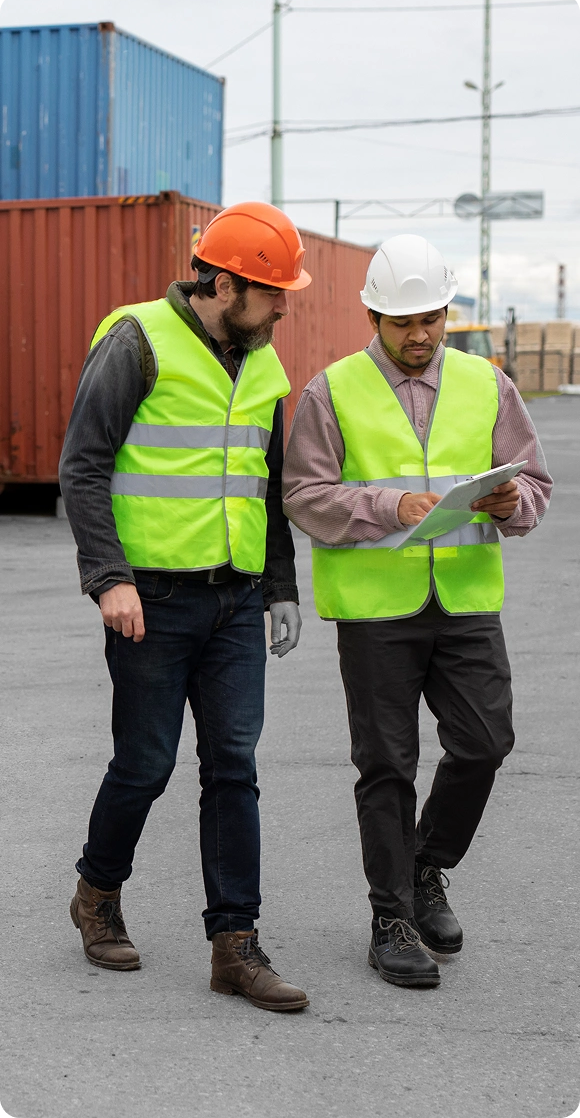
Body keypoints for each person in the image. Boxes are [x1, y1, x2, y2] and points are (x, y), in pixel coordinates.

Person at [59, 202, 311, 1012]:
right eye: (272, 292)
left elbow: (265, 489)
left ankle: (234, 944)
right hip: (153, 599)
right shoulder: (137, 341)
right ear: (225, 283)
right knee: (146, 762)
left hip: (235, 599)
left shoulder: (265, 363)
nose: (285, 305)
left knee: (233, 766)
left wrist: (279, 585)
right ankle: (97, 892)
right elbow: (82, 467)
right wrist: (110, 576)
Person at [282, 234, 552, 989]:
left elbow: (535, 486)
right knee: (386, 765)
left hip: (464, 601)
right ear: (372, 315)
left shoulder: (488, 385)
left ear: (446, 310)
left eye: (431, 317)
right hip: (377, 613)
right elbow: (303, 494)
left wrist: (511, 500)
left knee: (485, 743)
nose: (420, 334)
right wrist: (386, 504)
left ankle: (428, 863)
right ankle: (390, 916)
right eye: (402, 321)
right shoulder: (329, 392)